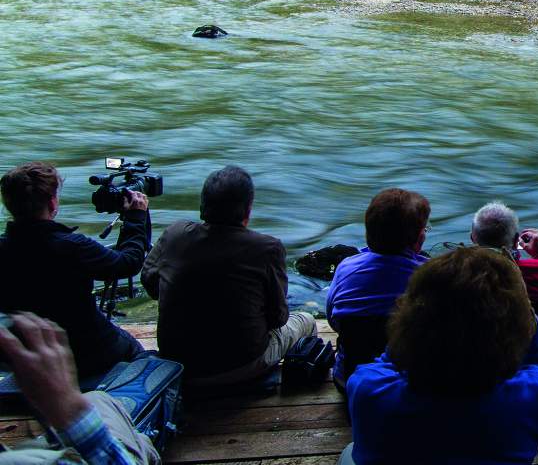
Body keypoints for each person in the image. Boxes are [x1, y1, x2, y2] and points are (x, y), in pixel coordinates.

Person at [344, 247, 538, 465]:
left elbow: (391, 357)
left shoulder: (368, 391)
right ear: (517, 334)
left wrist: (413, 324)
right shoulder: (530, 398)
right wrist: (528, 313)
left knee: (350, 451)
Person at [141, 165, 316, 387]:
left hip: (178, 363)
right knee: (306, 321)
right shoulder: (266, 248)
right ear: (248, 210)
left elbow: (149, 283)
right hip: (239, 366)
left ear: (203, 205)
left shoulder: (174, 235)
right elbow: (279, 318)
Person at [0, 162, 148, 382]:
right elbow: (128, 263)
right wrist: (136, 218)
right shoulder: (73, 247)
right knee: (141, 357)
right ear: (52, 202)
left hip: (25, 351)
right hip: (86, 352)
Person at [0, 312, 160, 465]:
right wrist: (73, 413)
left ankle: (139, 443)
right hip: (97, 350)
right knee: (101, 401)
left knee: (98, 399)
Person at [326, 188, 430, 389]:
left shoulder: (346, 268)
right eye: (425, 229)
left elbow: (333, 320)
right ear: (418, 240)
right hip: (410, 383)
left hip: (349, 381)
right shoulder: (431, 276)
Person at [471, 202, 538, 361]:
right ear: (517, 239)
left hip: (482, 360)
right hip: (533, 357)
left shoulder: (463, 275)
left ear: (472, 238)